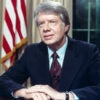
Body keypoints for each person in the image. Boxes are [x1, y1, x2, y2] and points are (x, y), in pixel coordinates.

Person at [0, 1, 100, 100]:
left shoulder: (88, 51)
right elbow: (3, 81)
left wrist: (65, 96)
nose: (46, 28)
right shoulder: (32, 52)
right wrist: (23, 92)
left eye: (52, 22)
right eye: (41, 24)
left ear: (66, 26)